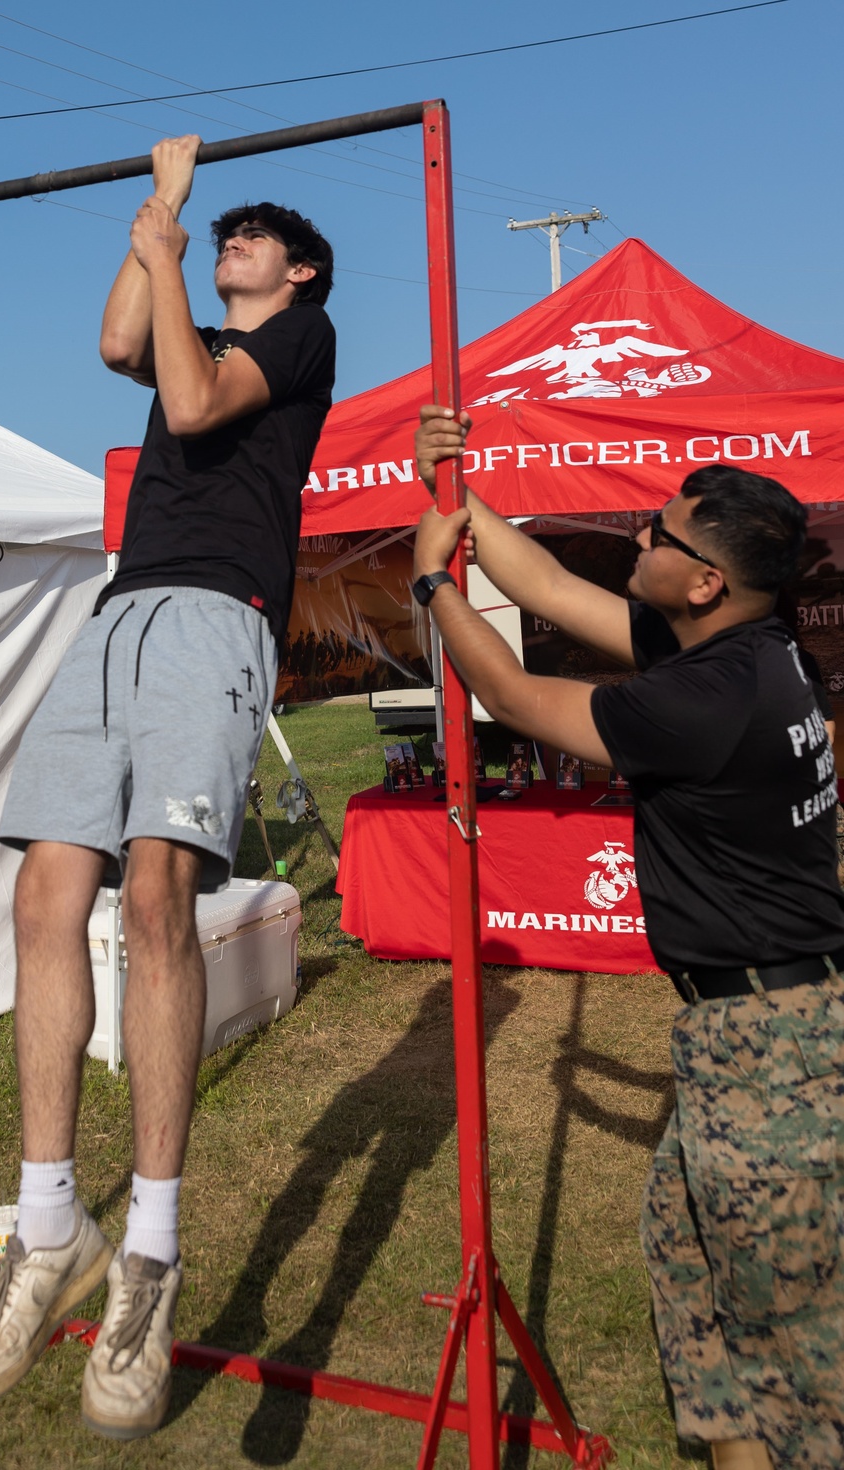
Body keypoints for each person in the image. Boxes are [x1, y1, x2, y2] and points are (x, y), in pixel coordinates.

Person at [0, 135, 335, 1441]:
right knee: (46, 890)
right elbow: (123, 349)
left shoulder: (299, 344)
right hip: (122, 610)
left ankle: (152, 1254)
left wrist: (169, 256)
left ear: (303, 271)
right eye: (225, 237)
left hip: (220, 616)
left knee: (158, 895)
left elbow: (187, 401)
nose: (236, 246)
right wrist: (154, 221)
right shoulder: (183, 301)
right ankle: (49, 1219)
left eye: (253, 237)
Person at [412, 405, 844, 1470]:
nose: (637, 543)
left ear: (704, 583)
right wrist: (456, 497)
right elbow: (555, 593)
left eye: (658, 538)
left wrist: (433, 588)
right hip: (750, 1026)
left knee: (789, 1339)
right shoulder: (747, 645)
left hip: (773, 1045)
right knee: (690, 1266)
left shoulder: (702, 701)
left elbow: (512, 694)